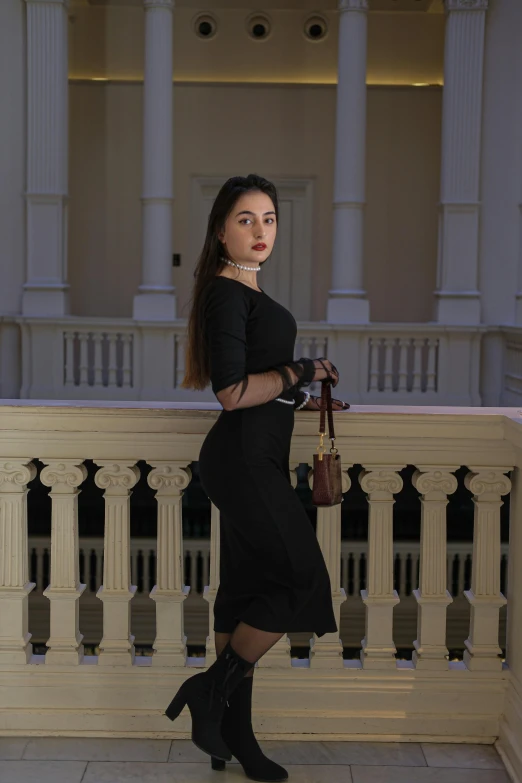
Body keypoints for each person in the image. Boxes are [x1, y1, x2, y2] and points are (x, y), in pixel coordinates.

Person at [165, 174, 349, 782]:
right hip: (243, 460)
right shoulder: (225, 292)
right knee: (300, 578)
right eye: (246, 220)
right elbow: (232, 391)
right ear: (221, 230)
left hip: (254, 456)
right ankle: (208, 689)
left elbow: (256, 387)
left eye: (269, 218)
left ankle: (231, 738)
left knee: (245, 592)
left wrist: (298, 394)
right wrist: (303, 369)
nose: (260, 231)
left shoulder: (243, 291)